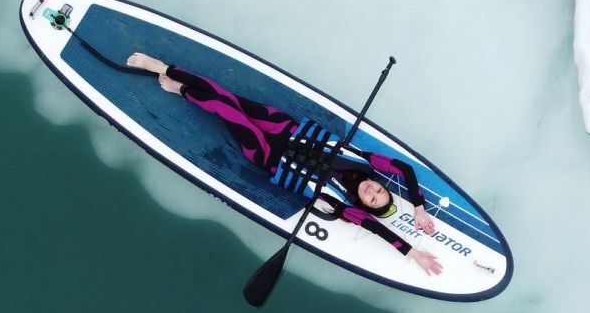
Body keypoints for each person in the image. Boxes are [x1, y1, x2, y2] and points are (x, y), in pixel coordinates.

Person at [126, 53, 443, 276]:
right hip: (283, 127)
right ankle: (165, 67)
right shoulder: (366, 163)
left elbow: (375, 227)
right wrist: (418, 206)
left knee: (225, 108)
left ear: (363, 204)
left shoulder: (344, 206)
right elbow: (406, 170)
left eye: (372, 199)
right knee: (227, 95)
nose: (372, 191)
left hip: (266, 153)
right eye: (380, 190)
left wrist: (412, 252)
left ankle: (179, 86)